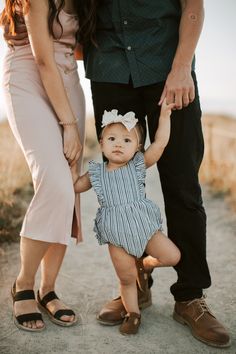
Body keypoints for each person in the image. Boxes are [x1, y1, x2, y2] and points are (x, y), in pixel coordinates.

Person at [80, 0, 231, 348]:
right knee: (119, 185)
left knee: (182, 186)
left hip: (168, 67)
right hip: (110, 70)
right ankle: (133, 285)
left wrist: (182, 68)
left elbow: (193, 5)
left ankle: (190, 296)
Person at [0, 0, 88, 331]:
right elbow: (41, 57)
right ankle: (23, 283)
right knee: (54, 182)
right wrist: (68, 124)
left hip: (67, 80)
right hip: (29, 76)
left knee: (69, 189)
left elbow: (74, 47)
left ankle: (48, 287)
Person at [72, 100, 181, 335]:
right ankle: (133, 314)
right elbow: (75, 186)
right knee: (127, 277)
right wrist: (67, 166)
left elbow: (160, 143)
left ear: (137, 147)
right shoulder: (96, 173)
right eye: (112, 139)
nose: (119, 144)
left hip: (143, 226)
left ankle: (145, 262)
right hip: (116, 233)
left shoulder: (138, 165)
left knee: (172, 256)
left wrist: (164, 115)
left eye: (126, 140)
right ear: (101, 144)